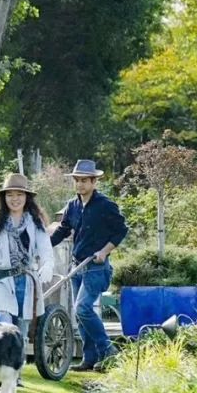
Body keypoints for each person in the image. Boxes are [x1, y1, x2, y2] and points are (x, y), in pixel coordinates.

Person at [50, 159, 128, 372]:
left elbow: (121, 230)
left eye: (84, 181)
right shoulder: (72, 206)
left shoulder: (105, 205)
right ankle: (90, 358)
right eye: (77, 180)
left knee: (82, 308)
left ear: (94, 181)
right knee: (79, 313)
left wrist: (104, 251)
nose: (80, 185)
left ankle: (109, 352)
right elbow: (63, 230)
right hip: (77, 266)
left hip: (96, 266)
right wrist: (45, 246)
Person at [0, 173, 55, 347]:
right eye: (10, 194)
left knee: (20, 331)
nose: (15, 199)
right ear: (4, 197)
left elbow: (45, 247)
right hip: (0, 280)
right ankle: (1, 369)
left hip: (26, 281)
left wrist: (48, 264)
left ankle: (14, 371)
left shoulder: (35, 222)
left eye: (19, 194)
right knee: (4, 326)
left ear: (26, 197)